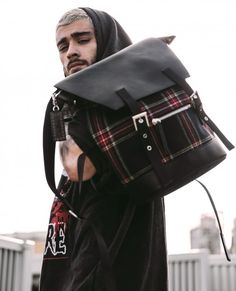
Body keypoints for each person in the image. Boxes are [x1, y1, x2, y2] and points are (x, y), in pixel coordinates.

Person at [40, 7, 168, 291]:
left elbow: (75, 167)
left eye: (82, 40)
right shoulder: (86, 112)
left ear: (108, 42)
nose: (71, 51)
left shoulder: (119, 114)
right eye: (63, 45)